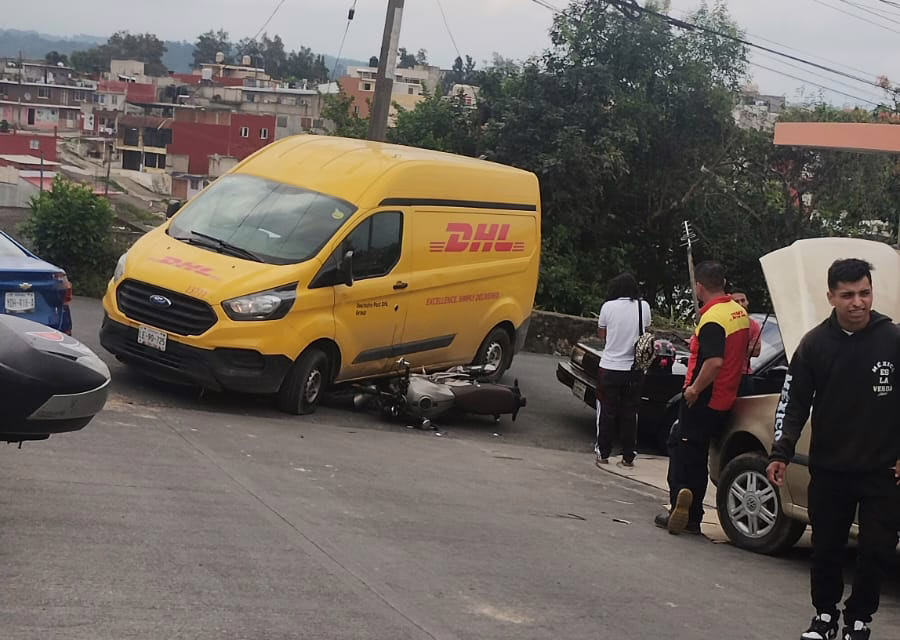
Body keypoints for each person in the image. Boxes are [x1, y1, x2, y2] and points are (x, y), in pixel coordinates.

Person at [766, 258, 900, 640]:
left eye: (864, 293)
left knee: (876, 550)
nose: (858, 302)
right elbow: (794, 405)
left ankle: (860, 620)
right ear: (831, 297)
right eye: (847, 295)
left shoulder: (893, 339)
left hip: (883, 472)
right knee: (825, 550)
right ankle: (824, 616)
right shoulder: (814, 345)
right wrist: (781, 452)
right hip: (829, 470)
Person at [656, 261, 749, 534]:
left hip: (704, 397)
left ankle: (684, 510)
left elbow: (714, 362)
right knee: (694, 450)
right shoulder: (738, 313)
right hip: (727, 398)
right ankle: (691, 511)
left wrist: (694, 390)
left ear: (699, 287)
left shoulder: (713, 318)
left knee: (685, 454)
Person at [594, 272, 651, 469]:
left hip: (610, 366)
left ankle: (603, 453)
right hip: (634, 369)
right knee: (630, 412)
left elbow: (602, 335)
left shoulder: (608, 307)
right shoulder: (643, 307)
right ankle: (628, 456)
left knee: (607, 411)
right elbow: (646, 332)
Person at [730, 288, 762, 371]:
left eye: (743, 300)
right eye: (736, 302)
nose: (740, 304)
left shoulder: (754, 325)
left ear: (747, 302)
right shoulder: (723, 322)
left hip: (744, 373)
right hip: (724, 374)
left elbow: (756, 351)